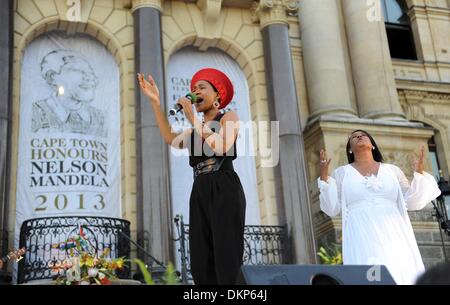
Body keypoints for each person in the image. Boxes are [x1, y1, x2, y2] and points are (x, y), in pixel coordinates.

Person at [137, 68, 246, 285]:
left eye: (202, 87)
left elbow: (223, 146)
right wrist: (155, 103)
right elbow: (170, 137)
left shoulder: (229, 117)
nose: (195, 91)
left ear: (217, 96)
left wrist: (193, 120)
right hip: (200, 190)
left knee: (226, 257)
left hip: (223, 185)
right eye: (194, 89)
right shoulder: (193, 130)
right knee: (200, 260)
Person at [318, 130, 441, 285]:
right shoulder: (341, 173)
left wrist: (419, 173)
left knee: (398, 268)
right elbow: (331, 208)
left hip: (394, 230)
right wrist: (324, 178)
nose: (359, 137)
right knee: (370, 271)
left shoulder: (392, 170)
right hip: (361, 232)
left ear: (372, 145)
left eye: (363, 135)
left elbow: (411, 202)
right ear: (350, 148)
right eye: (354, 137)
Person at [32, 49, 106, 137]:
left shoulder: (101, 118)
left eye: (91, 73)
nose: (92, 79)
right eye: (79, 70)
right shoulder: (35, 113)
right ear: (53, 77)